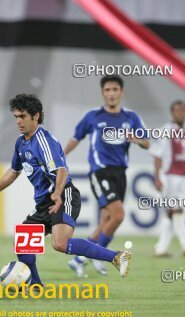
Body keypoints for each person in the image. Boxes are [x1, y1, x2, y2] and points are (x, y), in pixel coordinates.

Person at [0, 94, 131, 286]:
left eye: (22, 116)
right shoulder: (21, 142)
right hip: (45, 202)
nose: (18, 121)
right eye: (16, 117)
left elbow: (61, 169)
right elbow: (14, 171)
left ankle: (117, 257)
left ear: (35, 116)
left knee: (60, 243)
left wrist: (57, 193)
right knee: (23, 242)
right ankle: (35, 286)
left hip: (64, 195)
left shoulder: (44, 140)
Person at [64, 75, 149, 277]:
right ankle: (99, 256)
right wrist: (61, 157)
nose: (111, 93)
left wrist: (137, 140)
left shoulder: (131, 117)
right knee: (118, 215)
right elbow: (76, 137)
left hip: (120, 173)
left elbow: (147, 143)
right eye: (108, 90)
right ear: (103, 93)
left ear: (122, 92)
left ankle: (78, 260)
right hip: (100, 171)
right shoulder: (92, 116)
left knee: (106, 221)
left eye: (115, 90)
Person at [150, 100, 185, 257]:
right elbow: (157, 155)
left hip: (184, 177)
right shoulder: (166, 130)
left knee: (171, 213)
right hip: (168, 176)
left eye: (183, 110)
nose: (180, 113)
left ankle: (161, 248)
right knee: (177, 210)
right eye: (177, 111)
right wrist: (157, 176)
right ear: (172, 113)